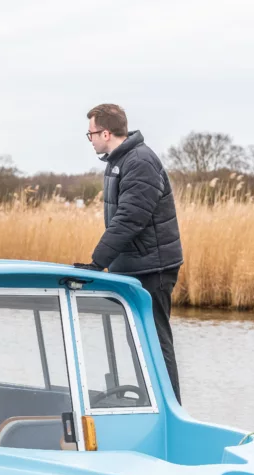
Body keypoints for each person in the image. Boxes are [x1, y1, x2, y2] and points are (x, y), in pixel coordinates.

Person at [75, 103, 183, 403]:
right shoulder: (118, 161)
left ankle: (171, 409)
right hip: (133, 265)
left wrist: (97, 263)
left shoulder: (140, 162)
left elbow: (130, 218)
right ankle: (152, 403)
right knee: (138, 339)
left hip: (153, 267)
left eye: (91, 133)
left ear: (106, 132)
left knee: (155, 339)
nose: (91, 139)